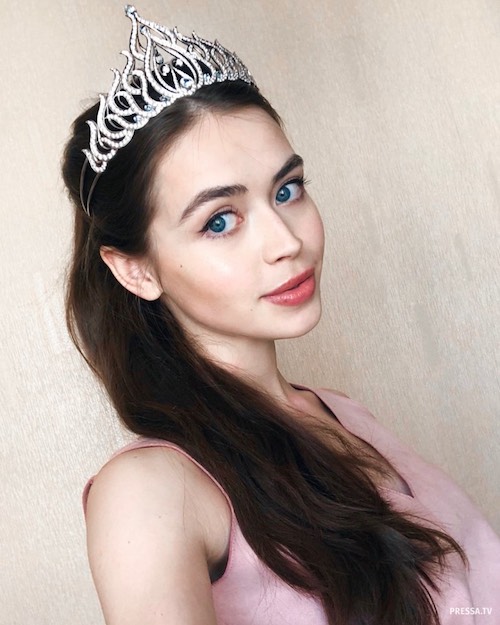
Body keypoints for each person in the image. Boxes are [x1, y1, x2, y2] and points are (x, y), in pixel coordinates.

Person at [61, 6, 500, 625]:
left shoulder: (343, 415)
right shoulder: (153, 491)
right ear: (136, 270)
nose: (286, 241)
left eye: (287, 190)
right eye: (220, 221)